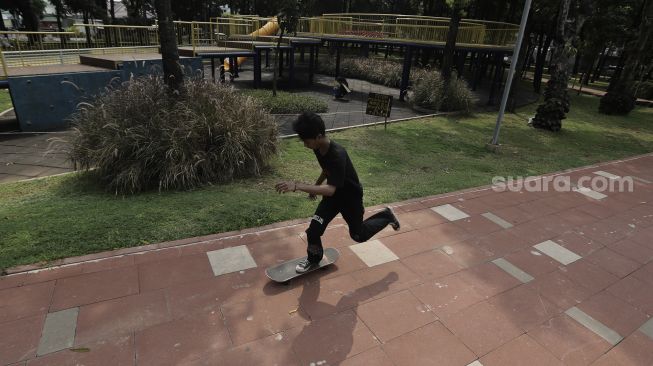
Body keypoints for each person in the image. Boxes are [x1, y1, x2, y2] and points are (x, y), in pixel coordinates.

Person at [275, 112, 400, 273]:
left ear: (319, 136)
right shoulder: (318, 147)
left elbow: (329, 189)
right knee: (313, 231)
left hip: (350, 198)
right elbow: (327, 170)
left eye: (306, 141)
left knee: (358, 235)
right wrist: (316, 185)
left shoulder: (337, 154)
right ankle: (313, 259)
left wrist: (298, 186)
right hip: (332, 198)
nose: (305, 145)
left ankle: (386, 216)